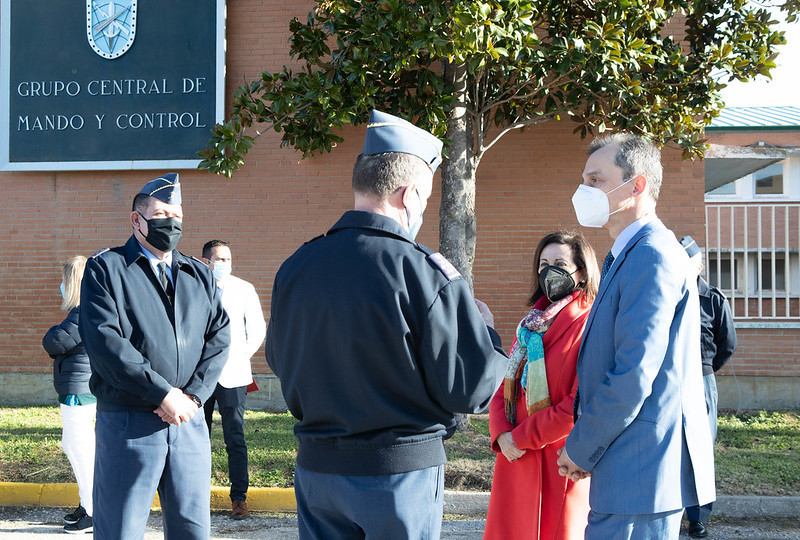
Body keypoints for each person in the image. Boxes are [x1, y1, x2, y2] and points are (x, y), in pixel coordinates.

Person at [265, 109, 507, 540]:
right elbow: (471, 388)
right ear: (409, 194)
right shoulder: (424, 272)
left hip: (318, 470)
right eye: (427, 200)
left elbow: (279, 361)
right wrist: (486, 334)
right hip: (397, 474)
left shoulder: (297, 266)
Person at [556, 133, 716, 539]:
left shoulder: (650, 254)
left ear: (637, 185)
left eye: (596, 180)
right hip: (630, 474)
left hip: (639, 475)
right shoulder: (632, 251)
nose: (584, 191)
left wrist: (581, 446)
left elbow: (632, 372)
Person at [79, 173, 231, 539]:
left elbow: (220, 337)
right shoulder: (106, 269)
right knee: (120, 529)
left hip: (188, 424)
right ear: (137, 219)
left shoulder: (199, 274)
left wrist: (192, 395)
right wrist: (164, 394)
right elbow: (107, 344)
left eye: (177, 214)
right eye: (162, 214)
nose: (172, 223)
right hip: (130, 424)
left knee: (192, 530)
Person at [484, 231, 599, 540]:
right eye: (543, 263)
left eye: (560, 263)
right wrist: (501, 435)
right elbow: (504, 387)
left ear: (582, 271)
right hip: (514, 460)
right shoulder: (531, 323)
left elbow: (578, 404)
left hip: (558, 462)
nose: (550, 271)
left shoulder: (589, 325)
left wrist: (520, 438)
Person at [201, 239, 266, 520]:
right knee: (195, 440)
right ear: (206, 262)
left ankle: (239, 498)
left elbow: (257, 330)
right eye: (219, 259)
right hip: (199, 378)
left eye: (227, 259)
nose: (224, 264)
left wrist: (240, 356)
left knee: (235, 439)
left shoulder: (243, 289)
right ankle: (194, 496)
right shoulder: (192, 286)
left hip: (233, 375)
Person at [680, 235, 738, 539]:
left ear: (699, 264)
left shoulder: (713, 298)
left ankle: (698, 518)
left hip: (701, 381)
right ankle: (671, 509)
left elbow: (727, 343)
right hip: (670, 381)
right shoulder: (666, 294)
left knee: (700, 450)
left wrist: (704, 371)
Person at [42, 255, 95, 534]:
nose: (61, 287)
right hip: (79, 390)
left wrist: (50, 333)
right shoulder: (87, 310)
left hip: (79, 392)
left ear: (73, 283)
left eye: (64, 281)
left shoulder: (81, 313)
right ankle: (87, 504)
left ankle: (93, 512)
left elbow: (55, 341)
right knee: (74, 446)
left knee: (81, 450)